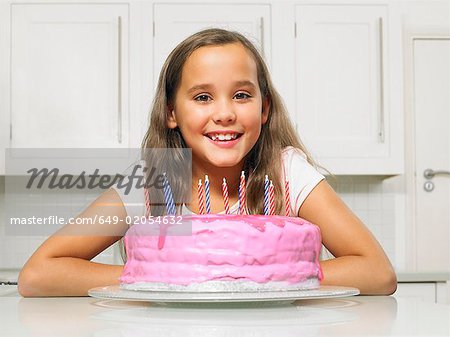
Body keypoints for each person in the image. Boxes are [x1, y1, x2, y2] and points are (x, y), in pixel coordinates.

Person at [18, 28, 397, 297]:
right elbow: (38, 274)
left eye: (242, 95)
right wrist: (164, 276)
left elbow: (377, 272)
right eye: (202, 97)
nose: (225, 113)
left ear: (264, 109)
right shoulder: (152, 182)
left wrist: (258, 278)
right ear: (171, 112)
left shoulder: (286, 171)